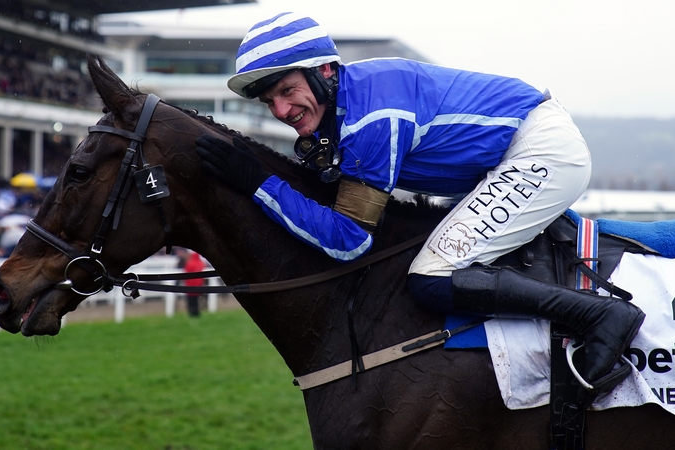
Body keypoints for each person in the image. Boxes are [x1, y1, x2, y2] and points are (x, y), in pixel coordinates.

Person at [195, 12, 644, 392]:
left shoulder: (373, 117)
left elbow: (349, 241)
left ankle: (603, 316)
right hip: (515, 153)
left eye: (287, 90)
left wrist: (257, 182)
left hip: (540, 152)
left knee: (431, 275)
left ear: (325, 72)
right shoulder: (349, 106)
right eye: (269, 100)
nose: (280, 111)